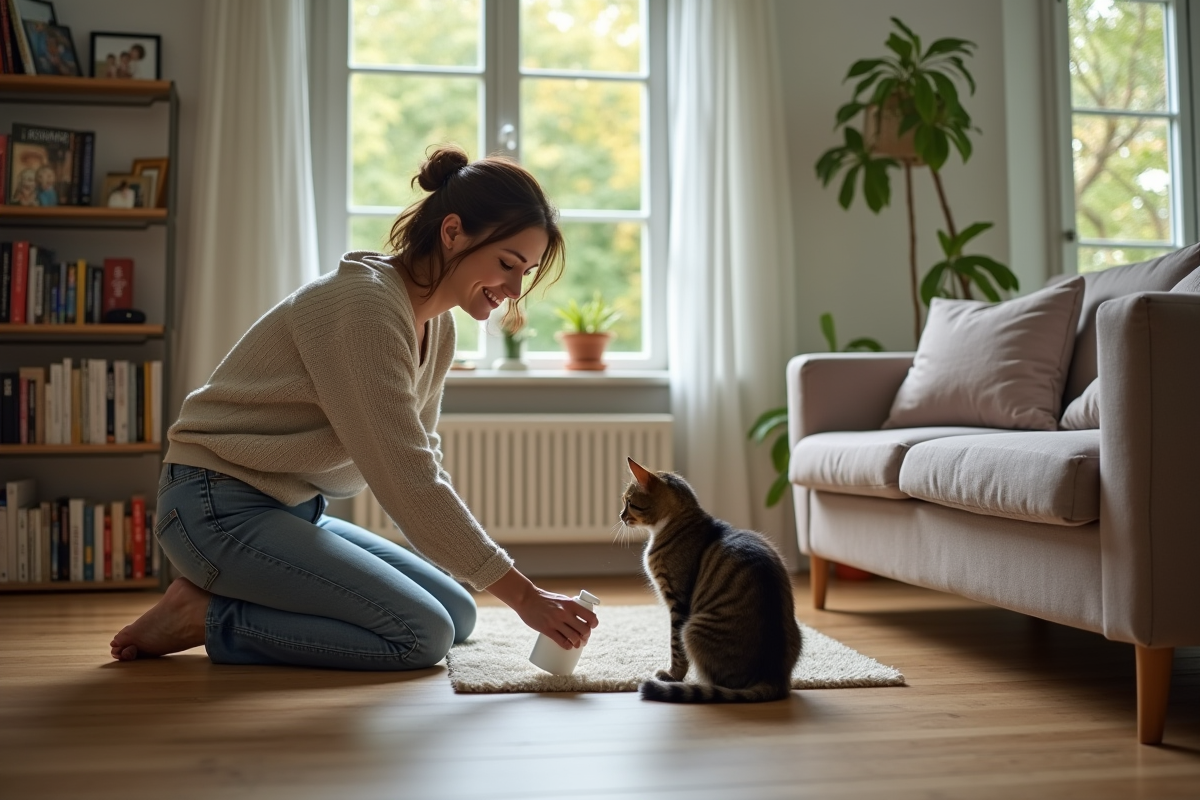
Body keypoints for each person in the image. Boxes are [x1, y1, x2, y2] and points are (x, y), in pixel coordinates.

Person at [110, 145, 598, 671]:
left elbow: (421, 458)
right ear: (452, 231)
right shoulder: (364, 307)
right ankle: (205, 616)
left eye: (525, 271)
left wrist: (507, 586)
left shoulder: (440, 325)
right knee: (421, 635)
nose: (514, 288)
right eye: (507, 264)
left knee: (459, 613)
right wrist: (525, 596)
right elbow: (406, 478)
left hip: (292, 509)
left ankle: (240, 593)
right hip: (213, 507)